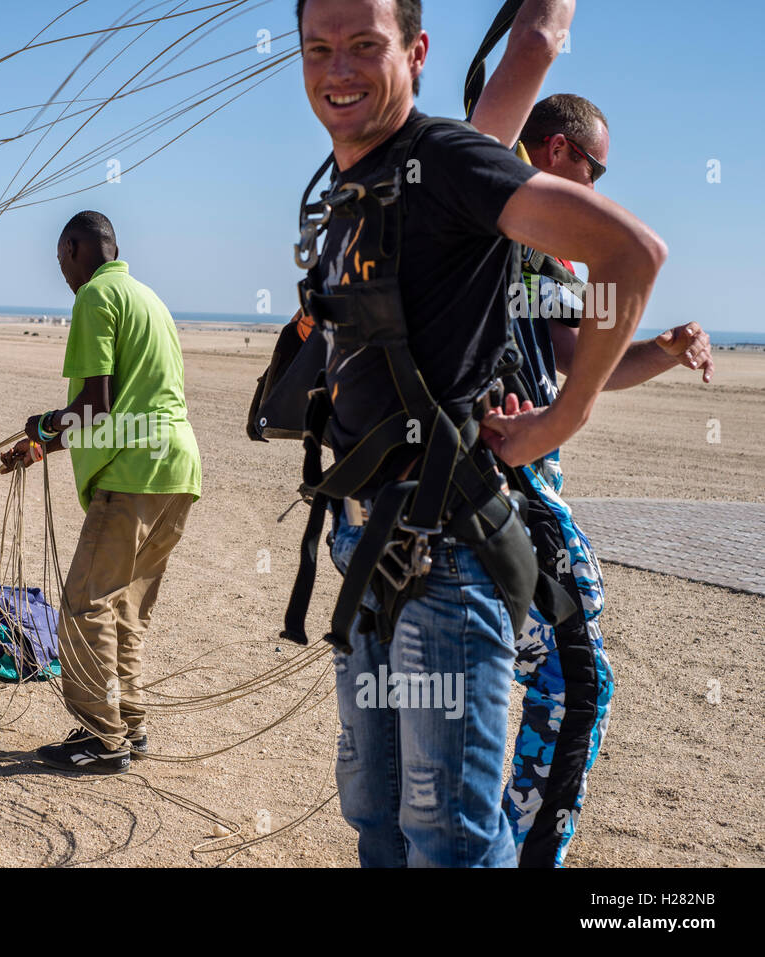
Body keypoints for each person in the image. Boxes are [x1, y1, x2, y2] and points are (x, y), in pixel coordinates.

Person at [268, 0, 666, 866]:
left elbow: (630, 254)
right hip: (365, 550)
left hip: (444, 558)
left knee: (445, 839)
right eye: (319, 48)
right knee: (376, 818)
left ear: (416, 52)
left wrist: (563, 418)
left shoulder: (448, 159)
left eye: (365, 46)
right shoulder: (359, 182)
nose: (338, 69)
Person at [467, 92, 714, 866]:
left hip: (512, 480)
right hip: (502, 485)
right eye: (594, 167)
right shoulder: (493, 209)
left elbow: (581, 359)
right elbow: (509, 81)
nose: (599, 187)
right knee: (577, 681)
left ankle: (478, 844)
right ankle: (516, 854)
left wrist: (665, 349)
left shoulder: (541, 257)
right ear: (553, 149)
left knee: (501, 675)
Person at [0, 211, 202, 774]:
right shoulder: (150, 301)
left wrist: (43, 425)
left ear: (75, 248)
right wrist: (41, 448)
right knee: (125, 610)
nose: (63, 274)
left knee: (85, 604)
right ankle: (129, 726)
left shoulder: (94, 297)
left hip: (131, 477)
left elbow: (95, 406)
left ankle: (101, 735)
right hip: (176, 472)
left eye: (62, 260)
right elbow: (128, 409)